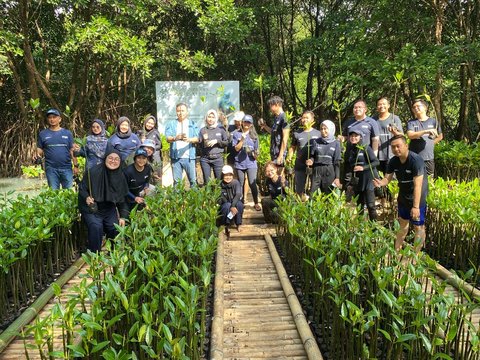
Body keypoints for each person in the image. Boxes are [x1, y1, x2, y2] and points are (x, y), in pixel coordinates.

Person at [374, 135, 429, 252]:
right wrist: (380, 183)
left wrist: (415, 207)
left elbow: (418, 185)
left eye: (398, 146)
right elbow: (387, 179)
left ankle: (415, 256)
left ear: (406, 146)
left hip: (418, 198)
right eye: (393, 147)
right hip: (403, 196)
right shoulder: (393, 161)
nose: (396, 149)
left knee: (418, 226)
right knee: (402, 224)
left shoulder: (416, 160)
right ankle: (397, 251)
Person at [78, 149, 129, 252]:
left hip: (109, 208)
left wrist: (123, 216)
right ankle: (95, 256)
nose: (113, 161)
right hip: (92, 208)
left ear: (120, 162)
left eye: (116, 159)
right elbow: (82, 189)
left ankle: (113, 254)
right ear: (105, 158)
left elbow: (122, 199)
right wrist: (87, 197)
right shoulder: (92, 172)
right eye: (110, 158)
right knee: (96, 227)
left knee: (114, 227)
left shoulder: (120, 176)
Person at [35, 108, 78, 189]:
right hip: (51, 169)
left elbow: (72, 150)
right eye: (50, 117)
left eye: (54, 117)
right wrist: (36, 154)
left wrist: (76, 166)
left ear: (60, 119)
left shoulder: (67, 133)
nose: (52, 119)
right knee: (53, 195)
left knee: (68, 194)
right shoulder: (43, 134)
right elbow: (39, 149)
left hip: (67, 168)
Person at [344, 129, 379, 221]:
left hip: (368, 179)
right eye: (351, 136)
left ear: (360, 137)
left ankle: (374, 227)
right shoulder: (349, 150)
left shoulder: (366, 147)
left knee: (371, 205)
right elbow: (347, 166)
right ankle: (361, 229)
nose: (353, 138)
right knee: (359, 205)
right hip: (357, 181)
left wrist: (363, 167)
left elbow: (376, 162)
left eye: (356, 136)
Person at [165, 103, 199, 187]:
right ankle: (177, 200)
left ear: (187, 112)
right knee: (177, 183)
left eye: (183, 110)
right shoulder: (171, 124)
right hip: (176, 158)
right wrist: (175, 138)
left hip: (189, 157)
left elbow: (198, 138)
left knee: (193, 181)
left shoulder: (192, 124)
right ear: (176, 112)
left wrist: (189, 139)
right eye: (178, 111)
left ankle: (194, 200)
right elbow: (167, 138)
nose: (180, 113)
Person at [287, 111, 321, 195]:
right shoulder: (297, 133)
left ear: (312, 120)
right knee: (299, 189)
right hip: (300, 164)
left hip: (314, 165)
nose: (304, 119)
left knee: (314, 190)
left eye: (307, 117)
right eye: (303, 117)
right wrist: (289, 157)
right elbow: (293, 147)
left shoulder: (318, 133)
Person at [406, 99, 443, 177]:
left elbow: (440, 136)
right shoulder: (411, 122)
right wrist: (425, 131)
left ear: (425, 107)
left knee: (430, 180)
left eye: (418, 106)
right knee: (414, 179)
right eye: (414, 107)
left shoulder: (433, 121)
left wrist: (430, 143)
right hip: (414, 157)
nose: (416, 108)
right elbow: (410, 135)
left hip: (429, 157)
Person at [232, 114, 261, 211]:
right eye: (245, 122)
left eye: (248, 122)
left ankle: (256, 203)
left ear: (251, 124)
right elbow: (236, 148)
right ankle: (240, 203)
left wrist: (254, 154)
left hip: (251, 163)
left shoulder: (254, 136)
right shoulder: (236, 134)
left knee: (252, 183)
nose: (246, 124)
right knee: (240, 183)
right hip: (239, 163)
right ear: (242, 123)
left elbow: (257, 153)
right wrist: (242, 139)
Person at [306, 120, 341, 194]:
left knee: (328, 193)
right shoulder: (316, 141)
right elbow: (312, 156)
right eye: (321, 129)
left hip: (329, 170)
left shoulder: (336, 143)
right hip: (317, 170)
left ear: (331, 129)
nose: (323, 131)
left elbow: (337, 162)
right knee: (313, 193)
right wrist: (311, 161)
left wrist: (337, 177)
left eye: (325, 129)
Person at [373, 97, 403, 173]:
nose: (382, 106)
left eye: (384, 104)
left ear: (389, 105)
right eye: (379, 104)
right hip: (377, 154)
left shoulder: (395, 118)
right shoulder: (373, 119)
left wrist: (394, 132)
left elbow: (402, 135)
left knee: (391, 179)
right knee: (377, 179)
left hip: (391, 154)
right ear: (377, 106)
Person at [198, 109, 229, 183]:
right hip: (205, 158)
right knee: (207, 181)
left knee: (219, 181)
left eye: (213, 117)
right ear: (206, 118)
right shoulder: (202, 130)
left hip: (217, 158)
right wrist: (203, 141)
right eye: (209, 117)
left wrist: (217, 141)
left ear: (216, 118)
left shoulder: (221, 129)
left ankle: (218, 195)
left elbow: (226, 142)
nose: (211, 119)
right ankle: (208, 194)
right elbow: (199, 144)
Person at [259, 96, 290, 166]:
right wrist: (265, 126)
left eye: (271, 106)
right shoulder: (276, 118)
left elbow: (285, 138)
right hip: (274, 152)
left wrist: (281, 155)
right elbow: (273, 132)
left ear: (277, 104)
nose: (270, 109)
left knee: (280, 175)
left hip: (280, 152)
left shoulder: (284, 118)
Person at [218, 165, 244, 234]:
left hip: (234, 202)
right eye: (226, 175)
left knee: (239, 204)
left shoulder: (236, 183)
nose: (228, 177)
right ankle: (226, 225)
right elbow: (222, 197)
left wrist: (233, 206)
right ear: (222, 175)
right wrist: (230, 206)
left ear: (233, 175)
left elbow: (238, 194)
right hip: (225, 204)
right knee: (227, 205)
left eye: (230, 175)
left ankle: (238, 224)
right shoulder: (220, 184)